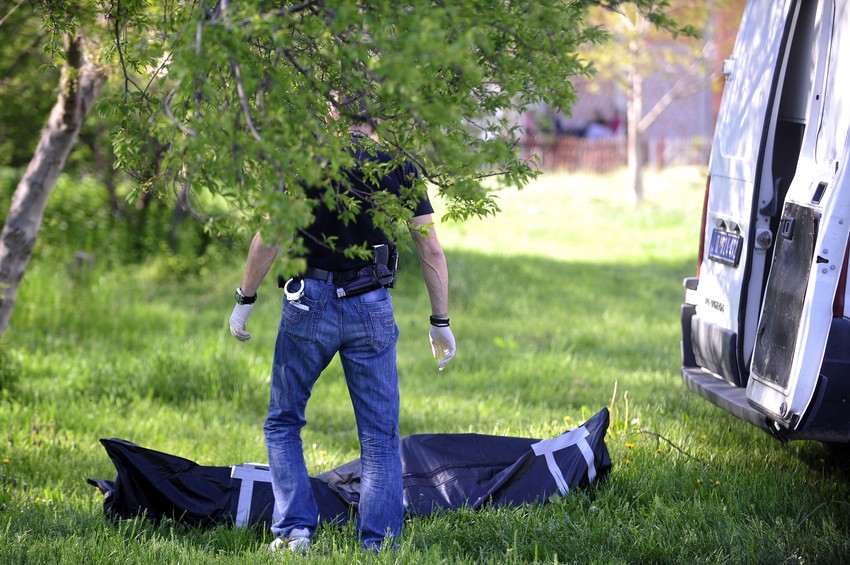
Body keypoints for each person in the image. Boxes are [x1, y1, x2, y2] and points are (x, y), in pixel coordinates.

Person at [228, 119, 456, 554]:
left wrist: (246, 298)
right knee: (379, 435)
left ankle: (294, 532)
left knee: (283, 420)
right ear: (378, 112)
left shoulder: (303, 157)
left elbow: (269, 237)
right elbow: (430, 248)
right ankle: (378, 544)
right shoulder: (397, 163)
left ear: (330, 109)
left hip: (306, 300)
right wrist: (440, 320)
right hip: (370, 302)